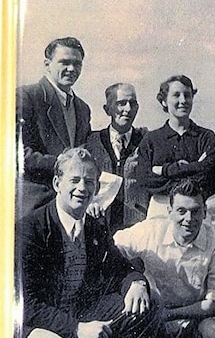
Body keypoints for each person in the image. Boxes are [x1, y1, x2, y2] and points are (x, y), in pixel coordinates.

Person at [17, 148, 160, 338]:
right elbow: (25, 304)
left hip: (80, 314)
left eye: (89, 182)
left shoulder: (93, 226)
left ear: (97, 188)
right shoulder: (30, 229)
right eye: (74, 180)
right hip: (37, 323)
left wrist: (137, 283)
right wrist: (76, 328)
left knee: (147, 302)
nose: (82, 188)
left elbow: (119, 267)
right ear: (57, 184)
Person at [114, 179, 215, 338]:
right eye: (181, 211)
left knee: (214, 330)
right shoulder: (151, 231)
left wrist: (169, 314)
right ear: (169, 211)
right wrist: (136, 282)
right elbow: (113, 249)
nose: (189, 219)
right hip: (152, 312)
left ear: (205, 211)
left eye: (195, 211)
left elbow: (214, 304)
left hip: (196, 317)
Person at [17, 37, 92, 216]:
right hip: (34, 202)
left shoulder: (82, 108)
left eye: (77, 64)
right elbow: (15, 153)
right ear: (47, 64)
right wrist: (59, 164)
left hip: (71, 206)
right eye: (64, 62)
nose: (72, 69)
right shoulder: (27, 96)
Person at [135, 75, 215, 217]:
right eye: (176, 95)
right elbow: (145, 179)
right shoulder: (151, 139)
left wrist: (165, 170)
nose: (183, 101)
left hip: (194, 209)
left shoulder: (206, 137)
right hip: (161, 208)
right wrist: (191, 170)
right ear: (164, 101)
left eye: (187, 95)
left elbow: (207, 175)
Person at [84, 82, 147, 231]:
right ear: (107, 109)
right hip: (98, 225)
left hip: (136, 227)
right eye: (121, 104)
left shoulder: (147, 141)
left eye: (132, 104)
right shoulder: (91, 142)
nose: (128, 109)